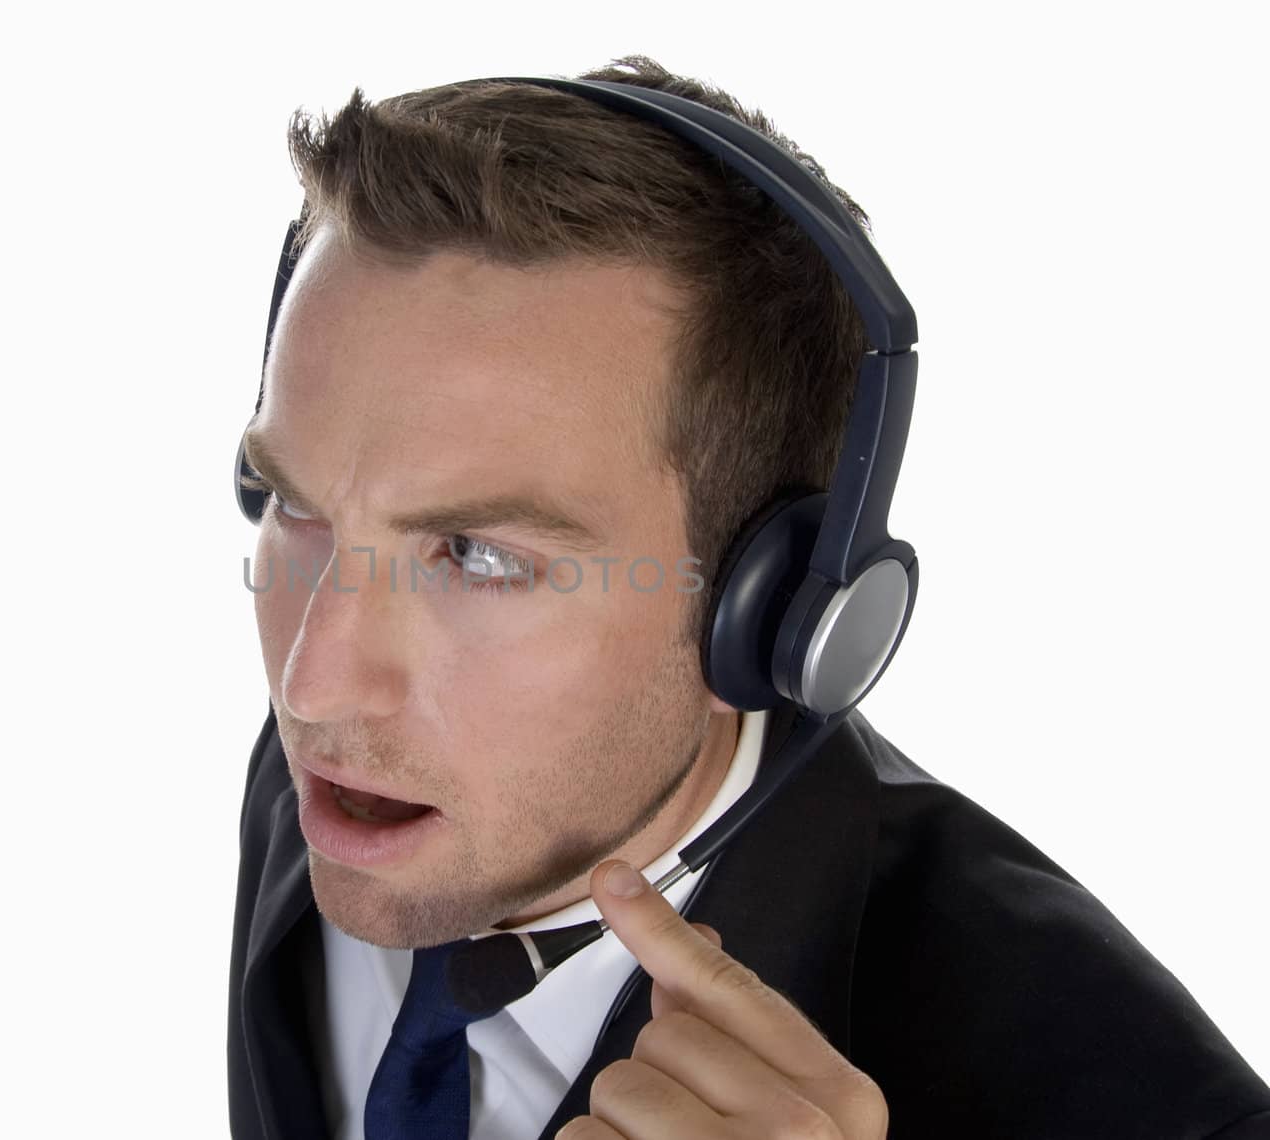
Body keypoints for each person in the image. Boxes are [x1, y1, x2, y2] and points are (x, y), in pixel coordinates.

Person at [226, 56, 1270, 1139]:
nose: (315, 685)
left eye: (474, 556)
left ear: (771, 617)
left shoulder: (1121, 1100)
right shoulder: (357, 788)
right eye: (293, 504)